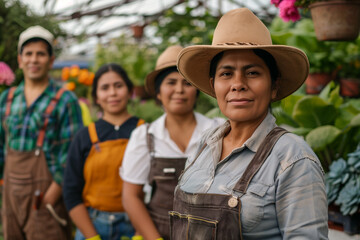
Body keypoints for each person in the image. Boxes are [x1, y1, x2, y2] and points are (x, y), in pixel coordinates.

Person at [170, 8, 328, 240]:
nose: (238, 84)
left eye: (252, 73)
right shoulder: (205, 143)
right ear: (214, 85)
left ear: (274, 86)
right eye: (226, 74)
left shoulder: (293, 157)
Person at [120, 45, 224, 240]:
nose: (179, 90)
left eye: (187, 83)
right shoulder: (145, 136)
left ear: (197, 91)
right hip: (159, 232)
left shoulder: (218, 131)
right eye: (170, 82)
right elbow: (131, 197)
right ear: (158, 93)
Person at [0, 25, 83, 239]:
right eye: (28, 54)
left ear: (51, 60)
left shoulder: (66, 100)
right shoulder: (7, 99)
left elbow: (73, 153)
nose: (34, 60)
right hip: (10, 197)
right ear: (20, 60)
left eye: (40, 54)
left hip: (47, 198)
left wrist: (52, 195)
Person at [64, 63, 144, 240]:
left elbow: (156, 189)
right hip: (92, 225)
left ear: (130, 91)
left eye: (118, 86)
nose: (113, 93)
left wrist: (141, 234)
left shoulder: (145, 131)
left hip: (137, 225)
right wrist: (91, 236)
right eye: (105, 88)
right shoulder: (85, 136)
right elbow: (71, 192)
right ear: (96, 97)